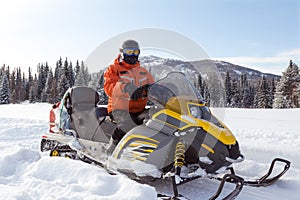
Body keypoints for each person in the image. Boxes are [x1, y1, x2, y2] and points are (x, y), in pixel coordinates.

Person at [104, 39, 155, 155]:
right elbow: (109, 87)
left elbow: (154, 86)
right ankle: (111, 150)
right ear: (122, 53)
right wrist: (126, 87)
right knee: (128, 123)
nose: (132, 55)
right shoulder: (114, 69)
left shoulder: (143, 72)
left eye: (135, 52)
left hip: (139, 109)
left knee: (158, 120)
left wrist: (164, 90)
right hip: (119, 109)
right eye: (129, 51)